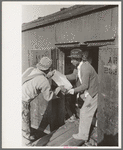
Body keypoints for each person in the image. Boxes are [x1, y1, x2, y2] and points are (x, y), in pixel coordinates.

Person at [22, 57, 60, 142]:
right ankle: (27, 138)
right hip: (22, 101)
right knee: (24, 119)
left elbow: (36, 80)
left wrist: (47, 76)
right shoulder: (43, 81)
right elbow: (48, 97)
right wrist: (57, 90)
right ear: (49, 69)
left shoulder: (30, 69)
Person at [66, 49, 98, 144]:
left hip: (94, 92)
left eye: (73, 59)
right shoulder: (78, 66)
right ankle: (87, 128)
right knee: (84, 107)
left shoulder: (85, 68)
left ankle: (83, 135)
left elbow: (85, 85)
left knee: (84, 111)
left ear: (78, 59)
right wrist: (61, 76)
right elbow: (73, 76)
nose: (71, 61)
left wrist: (73, 90)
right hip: (90, 91)